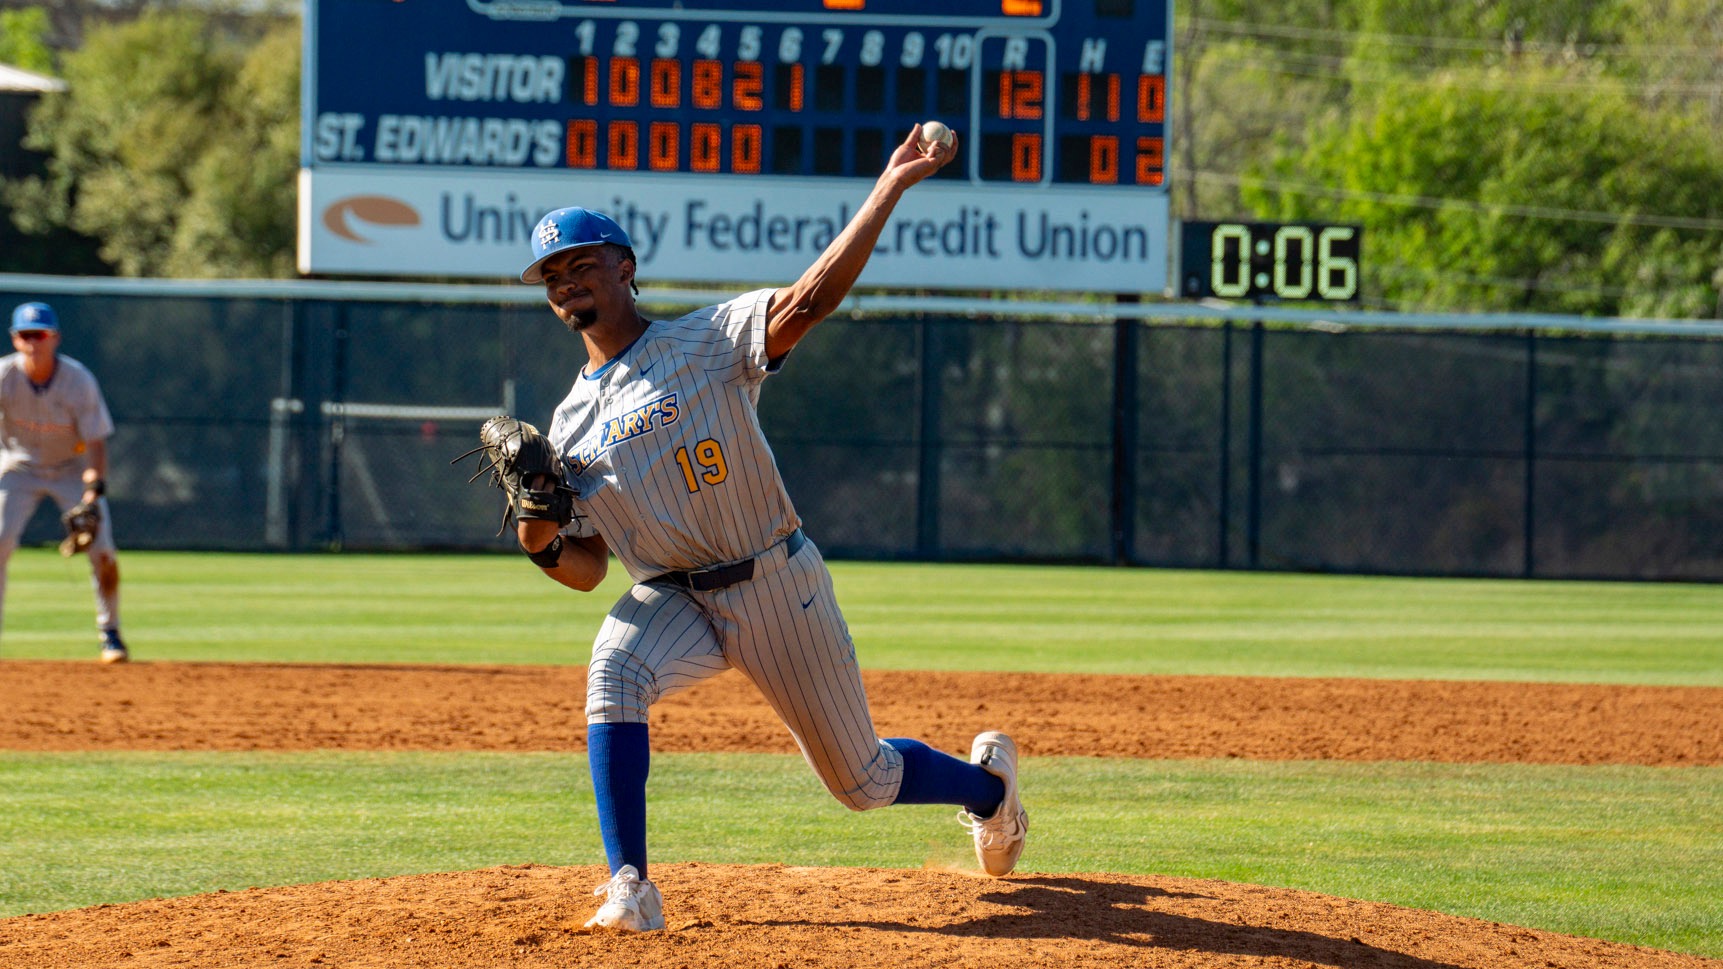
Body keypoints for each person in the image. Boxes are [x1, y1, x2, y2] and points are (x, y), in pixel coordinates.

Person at [511, 125, 1027, 932]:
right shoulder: (568, 423)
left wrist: (889, 184)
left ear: (624, 267)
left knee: (860, 781)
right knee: (613, 667)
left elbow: (811, 300)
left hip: (772, 580)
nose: (567, 281)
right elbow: (583, 568)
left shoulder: (706, 340)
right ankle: (630, 885)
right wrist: (535, 532)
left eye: (581, 262)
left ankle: (989, 788)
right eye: (552, 274)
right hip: (671, 595)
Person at [0, 302, 126, 663]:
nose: (33, 342)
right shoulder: (4, 376)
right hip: (18, 466)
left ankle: (111, 632)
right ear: (15, 339)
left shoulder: (78, 380)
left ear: (55, 338)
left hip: (71, 467)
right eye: (25, 335)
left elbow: (96, 443)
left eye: (40, 335)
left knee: (102, 550)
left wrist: (93, 492)